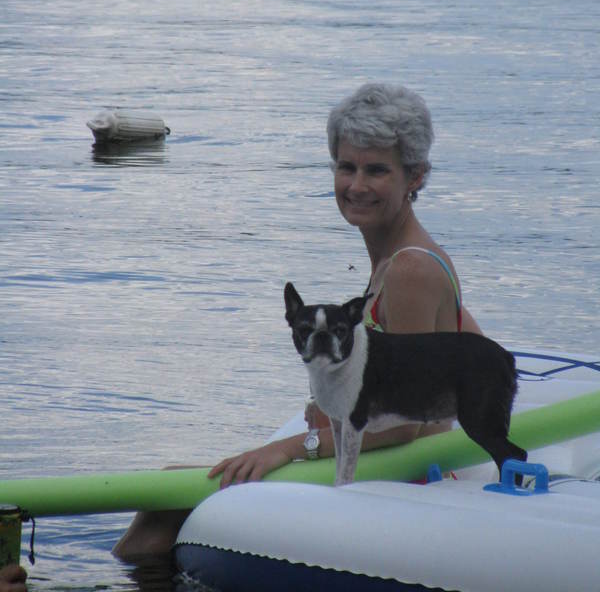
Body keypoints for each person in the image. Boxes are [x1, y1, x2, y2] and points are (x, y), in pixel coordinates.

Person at [113, 82, 482, 560]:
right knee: (170, 495)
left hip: (403, 477)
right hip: (394, 465)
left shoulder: (409, 269)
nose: (356, 185)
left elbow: (404, 425)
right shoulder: (407, 259)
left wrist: (292, 447)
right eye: (346, 166)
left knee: (167, 494)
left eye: (376, 170)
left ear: (415, 176)